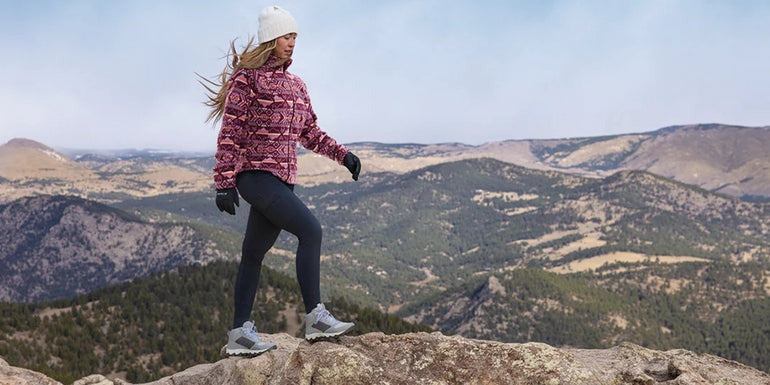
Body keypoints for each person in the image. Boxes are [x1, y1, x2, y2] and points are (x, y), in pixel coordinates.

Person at [201, 5, 361, 356]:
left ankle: (239, 334)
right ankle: (316, 317)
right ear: (271, 39)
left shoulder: (296, 85)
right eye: (286, 36)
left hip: (282, 181)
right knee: (311, 230)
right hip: (256, 177)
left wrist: (343, 155)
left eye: (295, 37)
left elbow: (310, 132)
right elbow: (231, 132)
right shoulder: (248, 79)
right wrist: (224, 181)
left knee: (253, 253)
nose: (292, 43)